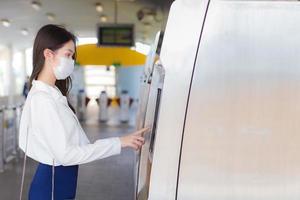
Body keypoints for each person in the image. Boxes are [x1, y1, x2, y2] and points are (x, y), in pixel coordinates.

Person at [18, 24, 149, 200]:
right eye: (68, 55)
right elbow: (66, 155)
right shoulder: (43, 100)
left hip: (59, 183)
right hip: (51, 187)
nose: (71, 61)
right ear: (48, 54)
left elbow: (78, 146)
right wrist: (119, 142)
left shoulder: (53, 93)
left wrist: (122, 141)